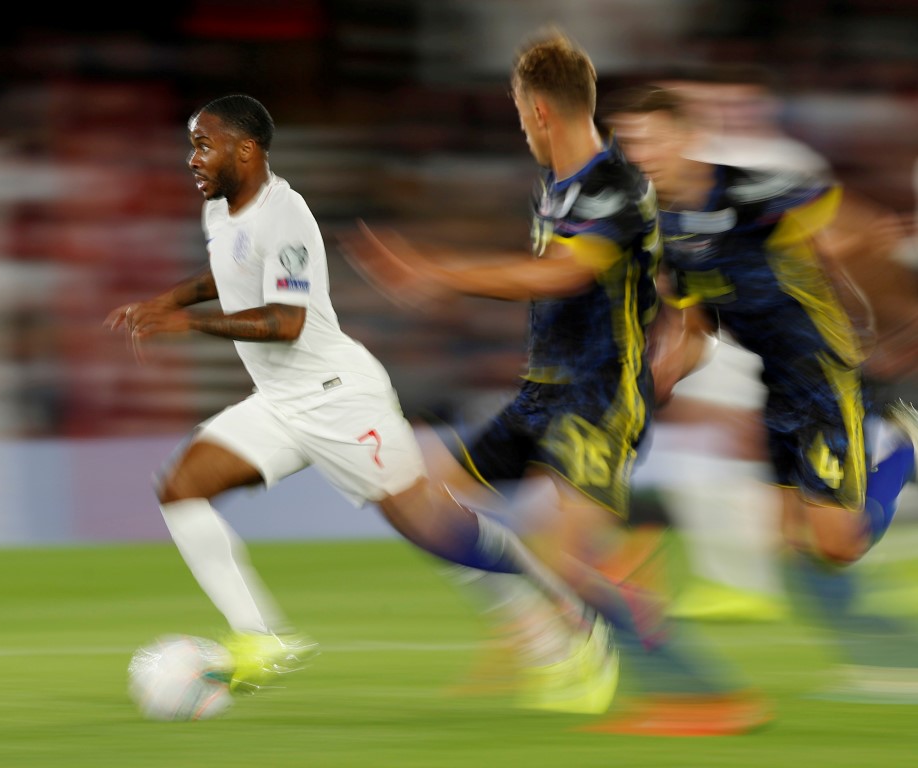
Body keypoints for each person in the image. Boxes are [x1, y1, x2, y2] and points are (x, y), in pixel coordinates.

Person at [105, 94, 616, 707]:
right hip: (280, 400)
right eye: (192, 143)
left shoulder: (285, 213)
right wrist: (172, 301)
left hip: (338, 399)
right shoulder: (220, 211)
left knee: (428, 525)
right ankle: (260, 638)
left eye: (203, 144)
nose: (193, 157)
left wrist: (191, 327)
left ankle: (564, 612)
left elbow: (285, 322)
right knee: (181, 489)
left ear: (246, 150)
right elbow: (230, 270)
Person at [344, 32, 769, 735]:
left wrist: (436, 271)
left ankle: (704, 693)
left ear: (539, 111)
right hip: (541, 394)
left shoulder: (616, 187)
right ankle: (548, 622)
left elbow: (562, 274)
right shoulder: (558, 187)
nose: (521, 129)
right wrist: (684, 333)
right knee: (408, 494)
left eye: (519, 115)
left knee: (570, 562)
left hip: (597, 402)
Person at [610, 85, 918, 700]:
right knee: (789, 547)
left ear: (686, 137)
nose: (637, 151)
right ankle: (890, 646)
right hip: (774, 381)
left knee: (836, 549)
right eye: (628, 140)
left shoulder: (754, 190)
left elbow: (873, 228)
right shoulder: (662, 227)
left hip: (821, 374)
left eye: (649, 137)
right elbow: (694, 325)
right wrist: (663, 374)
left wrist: (839, 264)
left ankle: (906, 446)